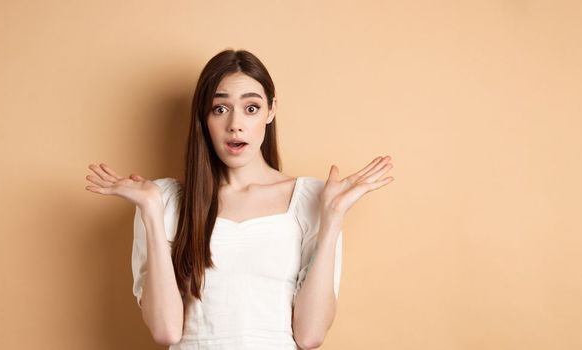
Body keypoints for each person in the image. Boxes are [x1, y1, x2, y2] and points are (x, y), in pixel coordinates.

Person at [86, 49, 394, 349]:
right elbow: (166, 331)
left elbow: (310, 335)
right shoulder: (161, 200)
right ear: (203, 117)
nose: (235, 124)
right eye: (220, 109)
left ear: (271, 110)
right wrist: (151, 213)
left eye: (251, 108)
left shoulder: (313, 199)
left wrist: (333, 218)